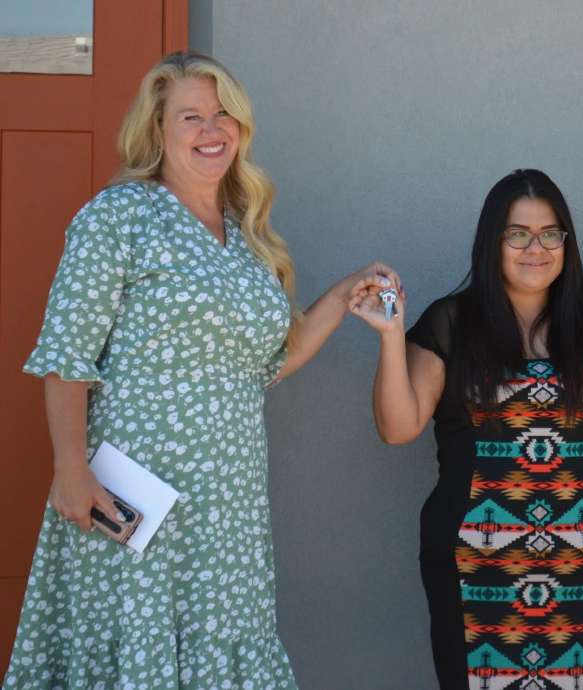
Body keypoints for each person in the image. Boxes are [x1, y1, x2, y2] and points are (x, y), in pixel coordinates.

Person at [3, 51, 397, 689]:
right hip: (132, 494)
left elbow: (263, 366)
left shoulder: (246, 237)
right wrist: (69, 470)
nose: (212, 130)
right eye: (191, 116)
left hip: (228, 507)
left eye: (224, 116)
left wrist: (342, 295)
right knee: (136, 649)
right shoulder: (119, 216)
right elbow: (66, 355)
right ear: (158, 130)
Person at [349, 169, 583, 690]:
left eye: (550, 234)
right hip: (473, 557)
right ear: (492, 243)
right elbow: (397, 427)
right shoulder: (450, 324)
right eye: (517, 234)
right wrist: (389, 337)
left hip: (576, 559)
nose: (535, 248)